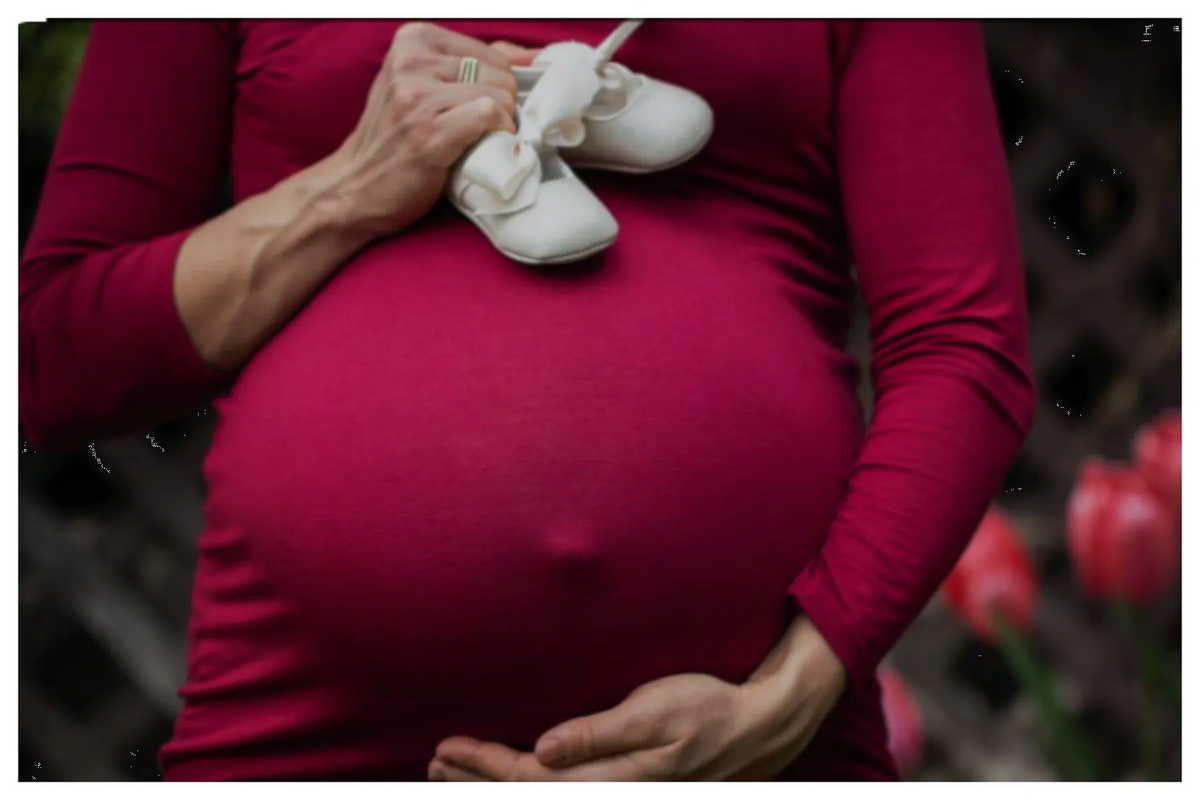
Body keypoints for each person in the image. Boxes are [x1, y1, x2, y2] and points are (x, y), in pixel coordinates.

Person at [18, 19, 1035, 781]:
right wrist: (345, 190)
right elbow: (51, 354)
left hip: (754, 743)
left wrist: (791, 694)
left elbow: (962, 343)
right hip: (307, 732)